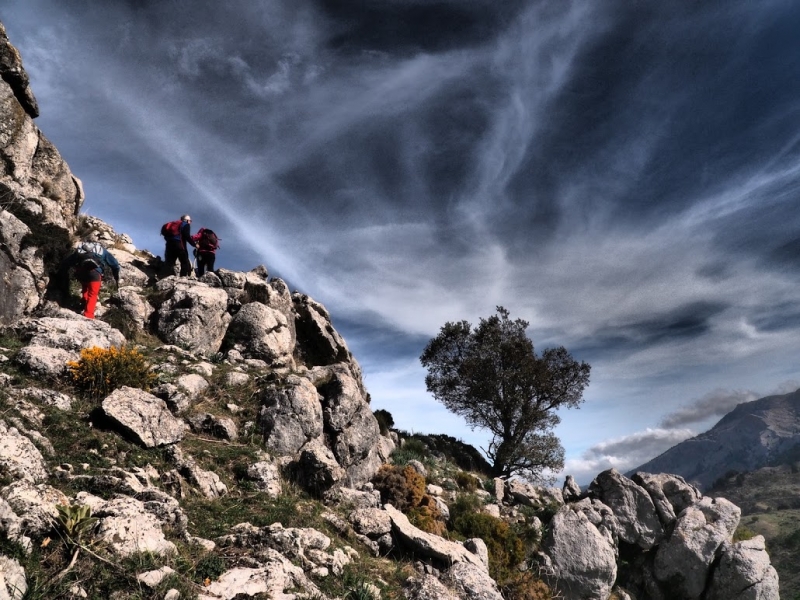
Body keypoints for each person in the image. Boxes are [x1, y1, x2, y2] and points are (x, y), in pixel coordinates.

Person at [57, 241, 120, 319]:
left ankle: (84, 302)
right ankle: (89, 315)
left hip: (80, 273)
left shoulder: (81, 250)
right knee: (93, 294)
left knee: (85, 284)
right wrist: (116, 275)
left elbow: (66, 262)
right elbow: (115, 265)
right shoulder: (102, 251)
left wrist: (61, 274)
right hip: (95, 273)